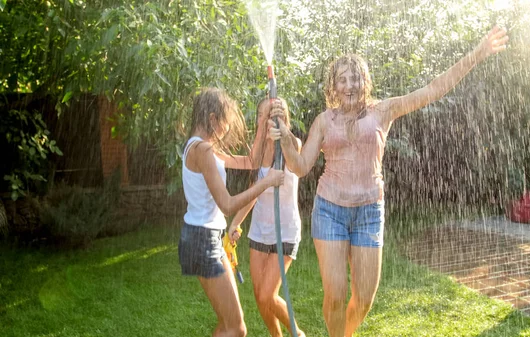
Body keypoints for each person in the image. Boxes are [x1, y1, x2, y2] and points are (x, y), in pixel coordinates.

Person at [268, 26, 509, 337]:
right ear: (334, 86)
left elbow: (433, 90)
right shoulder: (324, 120)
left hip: (369, 212)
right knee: (336, 295)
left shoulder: (383, 110)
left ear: (364, 82)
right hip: (330, 211)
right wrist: (286, 137)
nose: (350, 84)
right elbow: (299, 167)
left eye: (355, 78)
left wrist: (478, 53)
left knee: (365, 299)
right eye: (343, 79)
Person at [178, 87, 285, 337]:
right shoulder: (202, 151)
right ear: (213, 118)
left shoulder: (202, 147)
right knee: (235, 328)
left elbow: (250, 162)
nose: (227, 128)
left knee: (233, 326)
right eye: (225, 121)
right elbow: (227, 205)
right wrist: (265, 183)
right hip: (202, 241)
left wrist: (263, 125)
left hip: (205, 238)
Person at [228, 98, 305, 337]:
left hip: (286, 230)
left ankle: (297, 334)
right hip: (260, 230)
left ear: (282, 117)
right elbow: (255, 191)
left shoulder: (292, 145)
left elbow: (295, 150)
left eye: (271, 114)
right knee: (259, 296)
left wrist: (283, 132)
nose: (265, 119)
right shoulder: (259, 150)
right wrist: (235, 222)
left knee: (266, 294)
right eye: (262, 115)